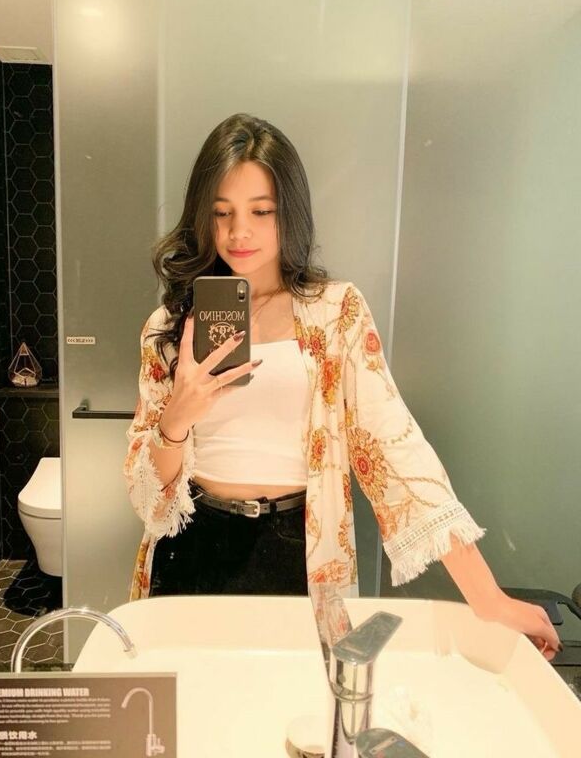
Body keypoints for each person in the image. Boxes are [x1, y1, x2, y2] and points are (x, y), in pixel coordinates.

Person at [123, 112, 561, 661]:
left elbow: (395, 449)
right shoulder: (170, 326)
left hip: (298, 553)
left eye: (261, 211)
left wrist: (488, 598)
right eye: (222, 212)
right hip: (190, 551)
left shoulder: (336, 313)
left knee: (298, 706)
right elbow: (147, 495)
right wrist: (176, 419)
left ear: (290, 212)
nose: (239, 232)